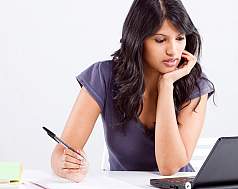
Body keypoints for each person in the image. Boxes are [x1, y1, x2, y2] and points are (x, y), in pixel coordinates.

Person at [51, 0, 215, 182]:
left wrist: (166, 85)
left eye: (180, 38)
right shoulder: (103, 77)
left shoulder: (195, 84)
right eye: (160, 40)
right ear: (138, 40)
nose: (173, 51)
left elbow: (169, 167)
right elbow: (61, 152)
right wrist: (66, 164)